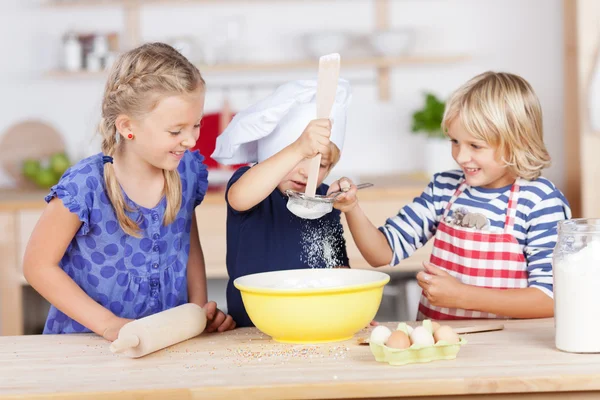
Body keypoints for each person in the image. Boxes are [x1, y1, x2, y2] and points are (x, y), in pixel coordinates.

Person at [23, 43, 235, 340]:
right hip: (85, 344)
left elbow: (188, 246)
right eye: (176, 131)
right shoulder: (85, 185)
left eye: (196, 125)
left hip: (162, 341)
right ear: (127, 126)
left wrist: (197, 312)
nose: (190, 140)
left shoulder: (185, 172)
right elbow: (38, 266)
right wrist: (108, 323)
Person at [330, 71, 571, 320]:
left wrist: (462, 296)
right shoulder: (445, 188)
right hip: (441, 344)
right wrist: (352, 207)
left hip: (504, 350)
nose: (460, 156)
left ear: (516, 141)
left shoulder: (541, 201)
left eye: (475, 146)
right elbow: (381, 253)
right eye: (455, 141)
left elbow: (551, 299)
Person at [211, 79, 353, 327]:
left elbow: (338, 266)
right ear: (274, 152)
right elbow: (239, 197)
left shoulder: (325, 201)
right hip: (251, 328)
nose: (307, 173)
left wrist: (352, 310)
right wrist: (299, 148)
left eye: (319, 165)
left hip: (315, 324)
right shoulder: (252, 185)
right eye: (300, 157)